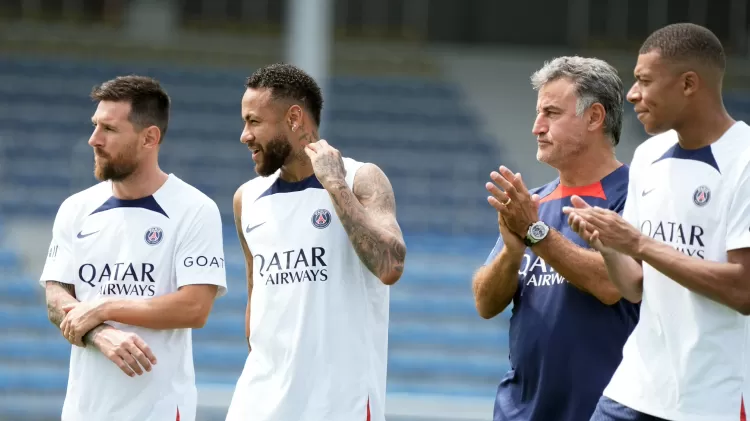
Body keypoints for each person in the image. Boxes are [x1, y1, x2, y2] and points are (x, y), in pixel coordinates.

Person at [563, 23, 750, 421]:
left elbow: (744, 290)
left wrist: (640, 244)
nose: (633, 94)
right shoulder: (648, 156)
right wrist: (607, 244)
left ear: (687, 84)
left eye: (644, 81)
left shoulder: (745, 161)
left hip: (714, 400)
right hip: (635, 389)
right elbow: (633, 286)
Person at [224, 63, 406, 421]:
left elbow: (390, 265)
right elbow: (256, 297)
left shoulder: (360, 178)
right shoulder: (246, 198)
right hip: (259, 403)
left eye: (254, 122)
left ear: (294, 118)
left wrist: (335, 185)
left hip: (339, 404)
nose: (244, 135)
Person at [42, 75, 227, 421]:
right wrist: (100, 333)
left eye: (109, 130)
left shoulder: (194, 209)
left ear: (149, 138)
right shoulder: (75, 208)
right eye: (95, 126)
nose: (93, 139)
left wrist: (103, 307)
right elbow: (56, 298)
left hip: (157, 411)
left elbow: (194, 308)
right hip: (82, 412)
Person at [472, 56, 640, 421]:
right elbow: (485, 304)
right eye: (538, 113)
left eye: (551, 113)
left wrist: (535, 234)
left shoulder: (637, 196)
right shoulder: (532, 201)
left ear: (595, 117)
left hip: (602, 411)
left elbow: (612, 284)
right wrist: (512, 254)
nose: (537, 127)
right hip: (519, 412)